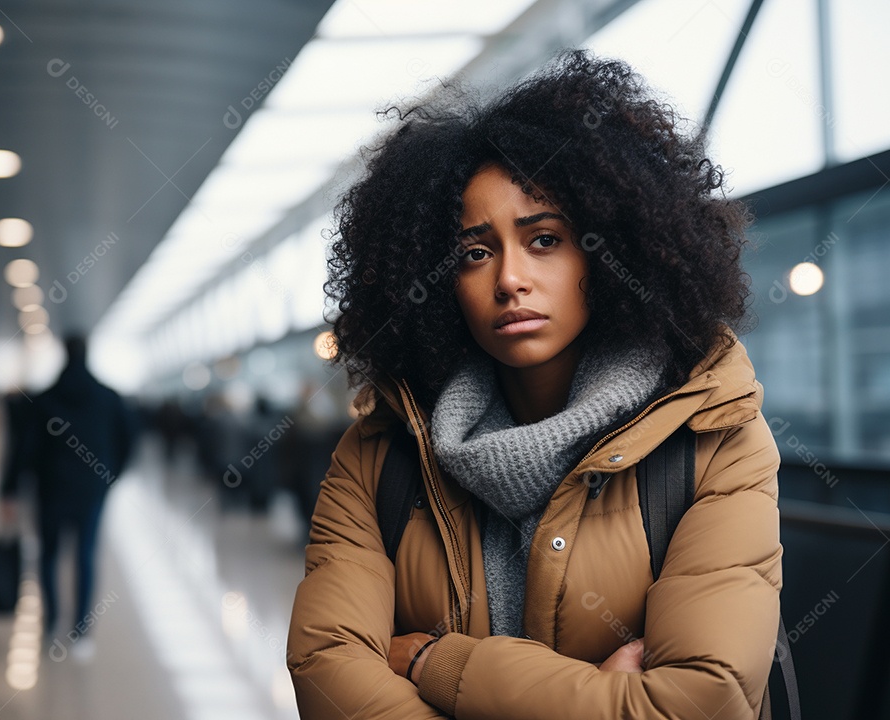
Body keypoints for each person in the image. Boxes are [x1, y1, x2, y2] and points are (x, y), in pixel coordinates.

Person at [286, 51, 782, 719]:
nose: (510, 278)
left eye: (544, 239)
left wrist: (435, 662)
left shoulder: (715, 440)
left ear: (608, 253)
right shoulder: (378, 456)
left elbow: (695, 703)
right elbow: (326, 675)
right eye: (474, 252)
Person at [1, 335, 137, 657]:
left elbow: (25, 447)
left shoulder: (46, 400)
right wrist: (110, 476)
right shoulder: (108, 398)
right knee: (86, 555)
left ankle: (51, 623)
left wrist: (11, 487)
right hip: (91, 489)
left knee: (48, 554)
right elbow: (129, 438)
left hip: (51, 488)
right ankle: (81, 629)